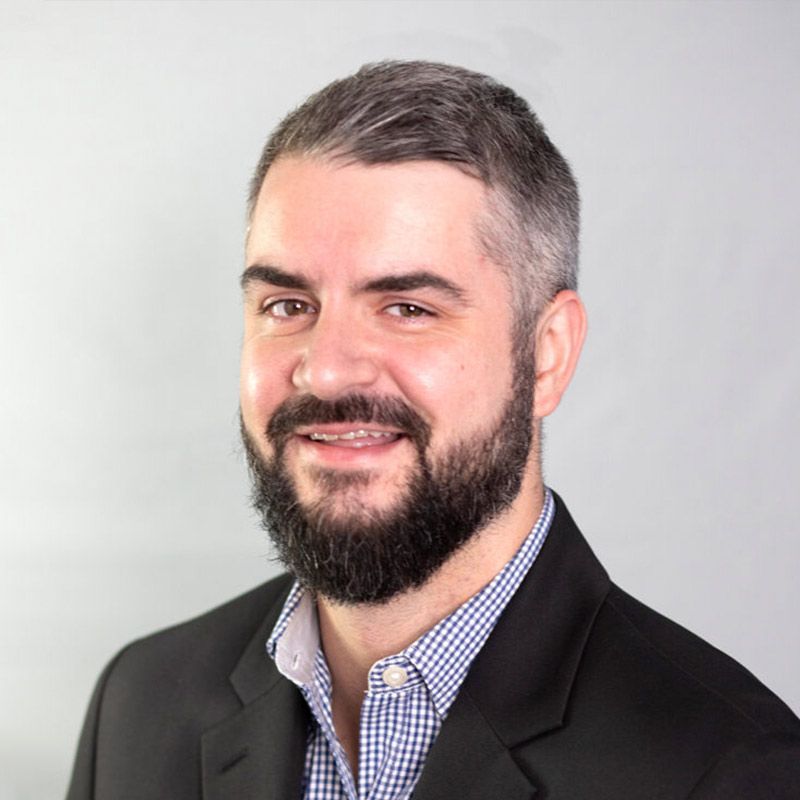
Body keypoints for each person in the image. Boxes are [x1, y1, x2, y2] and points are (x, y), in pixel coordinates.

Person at [66, 61, 800, 800]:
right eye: (288, 305)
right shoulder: (139, 706)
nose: (327, 371)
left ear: (546, 355)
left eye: (409, 308)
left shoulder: (731, 770)